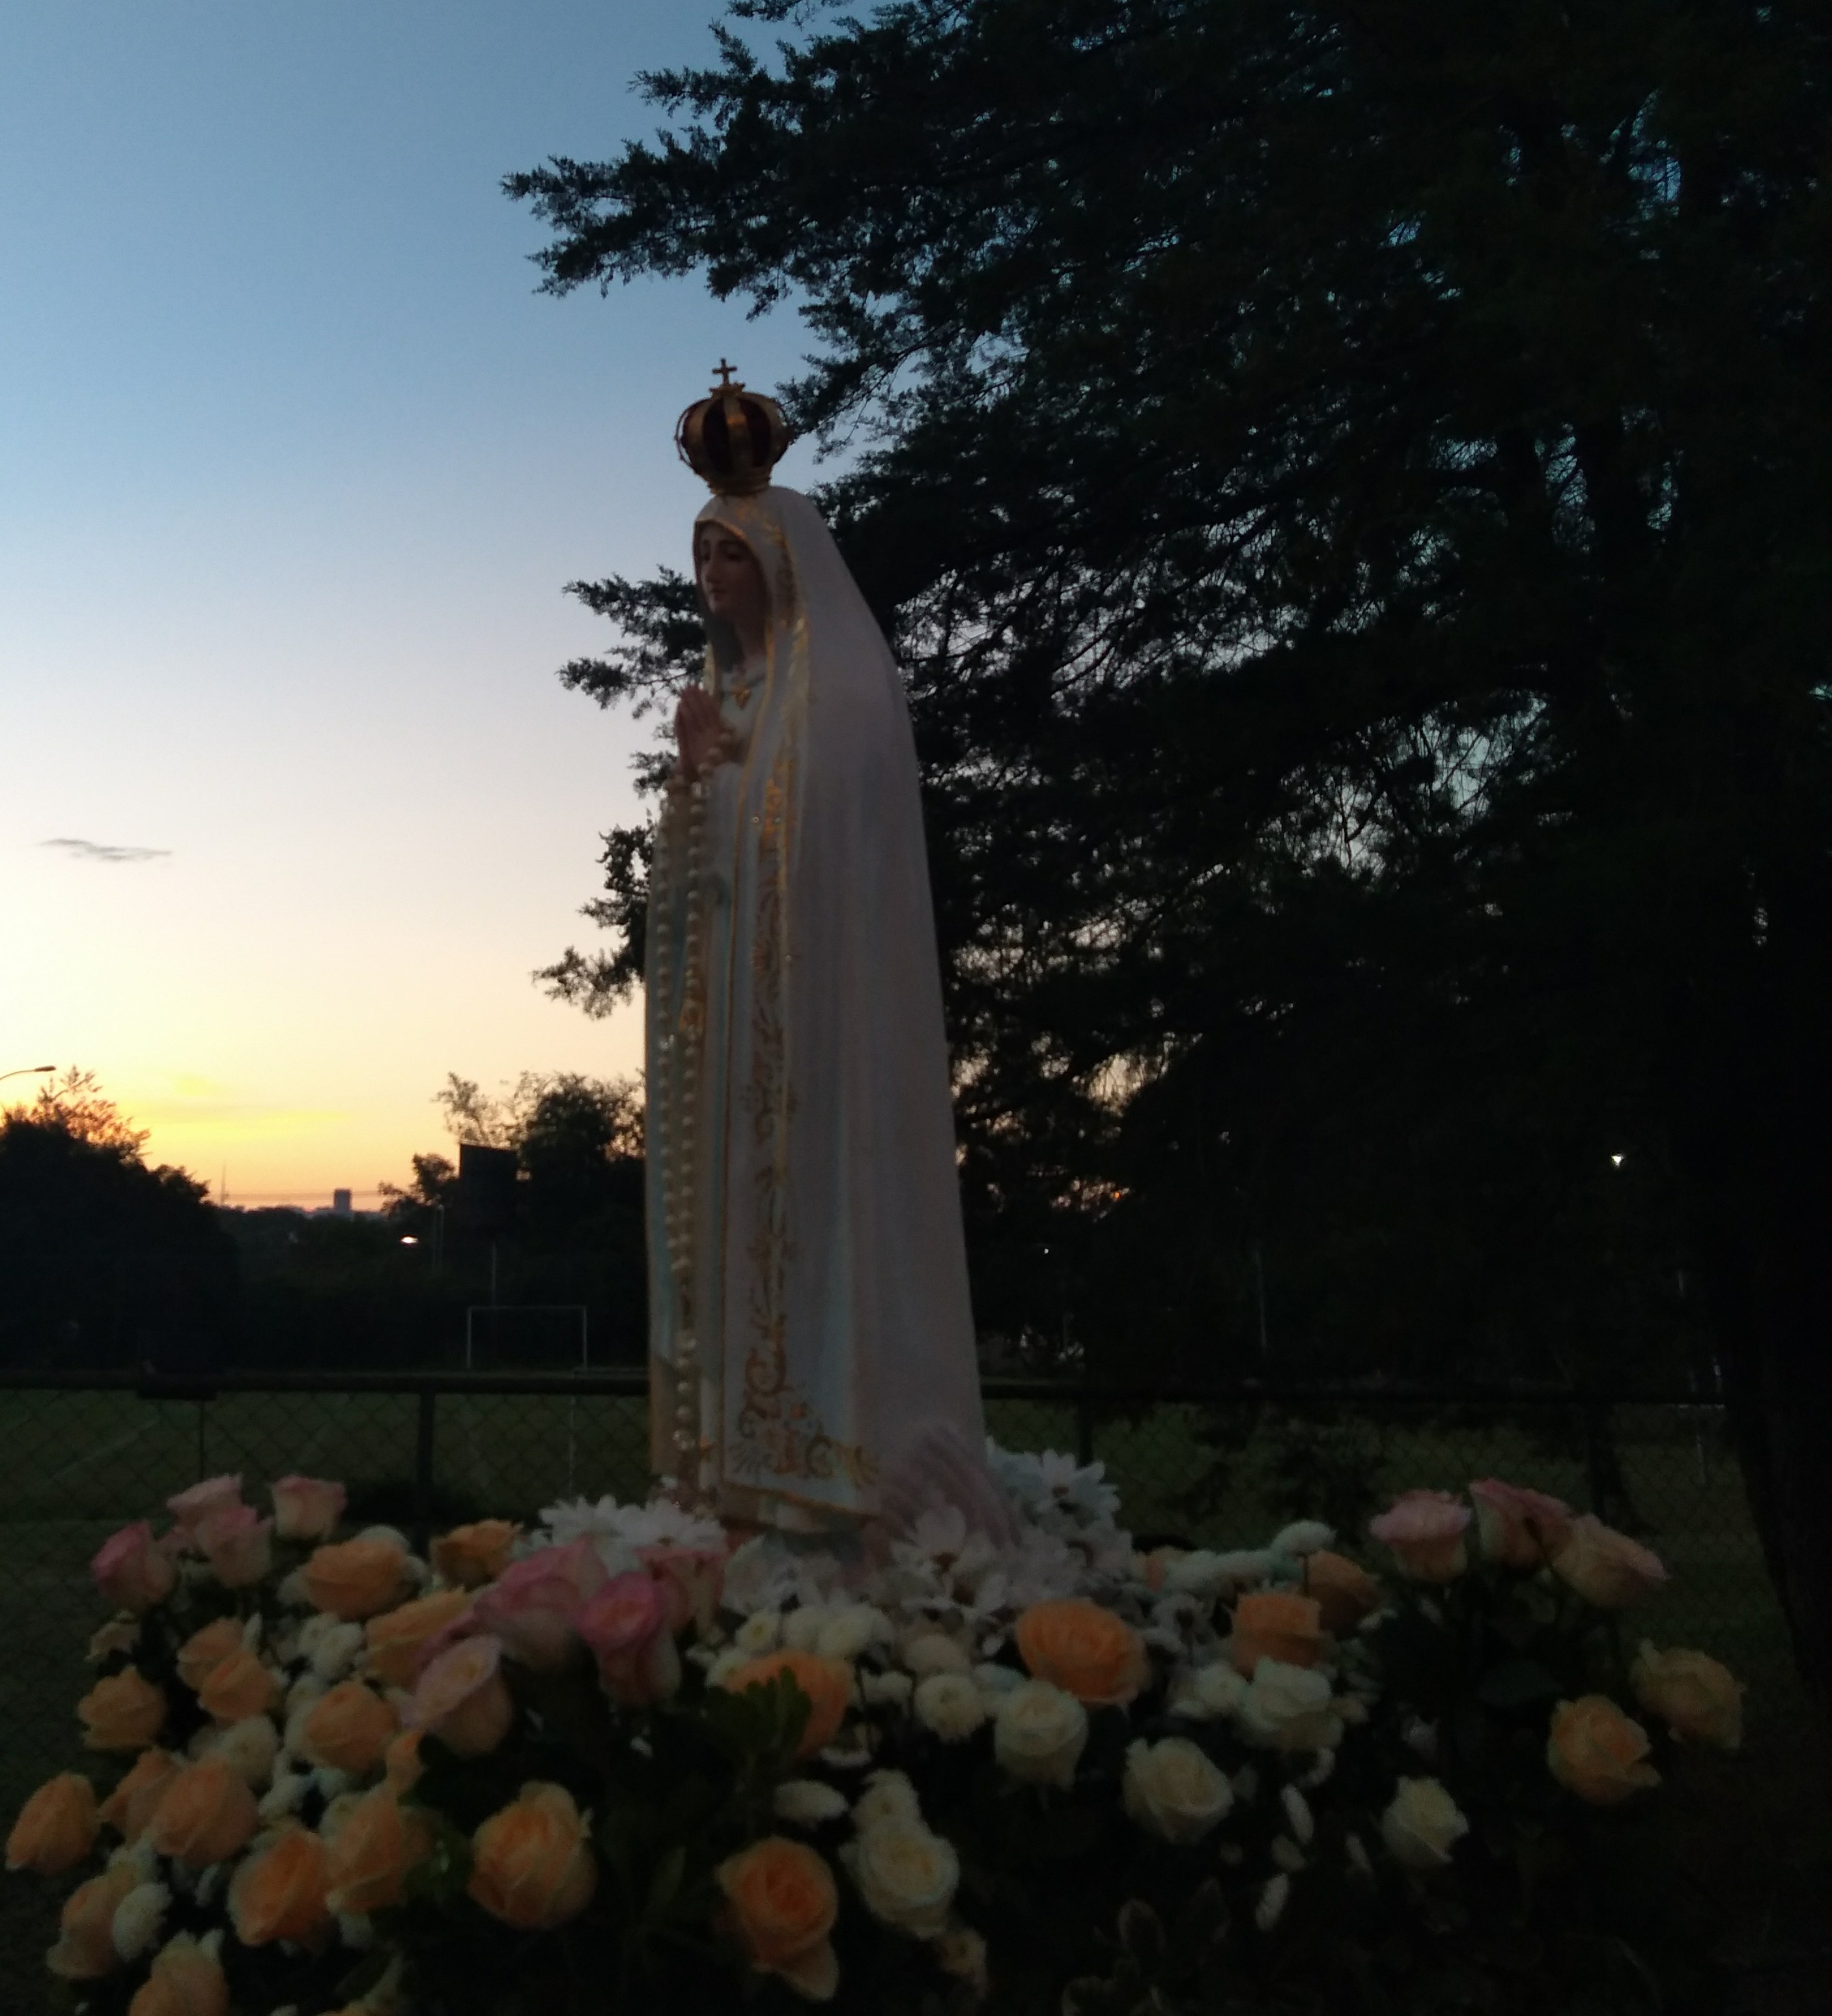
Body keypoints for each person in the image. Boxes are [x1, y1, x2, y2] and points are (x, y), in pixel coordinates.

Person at [645, 375, 1010, 1542]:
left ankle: (844, 1454)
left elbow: (819, 851)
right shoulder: (734, 695)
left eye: (733, 556)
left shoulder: (839, 690)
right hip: (746, 1038)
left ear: (784, 565)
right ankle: (748, 1466)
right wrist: (695, 779)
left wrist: (724, 778)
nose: (715, 577)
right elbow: (706, 880)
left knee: (823, 1219)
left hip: (819, 1018)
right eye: (704, 558)